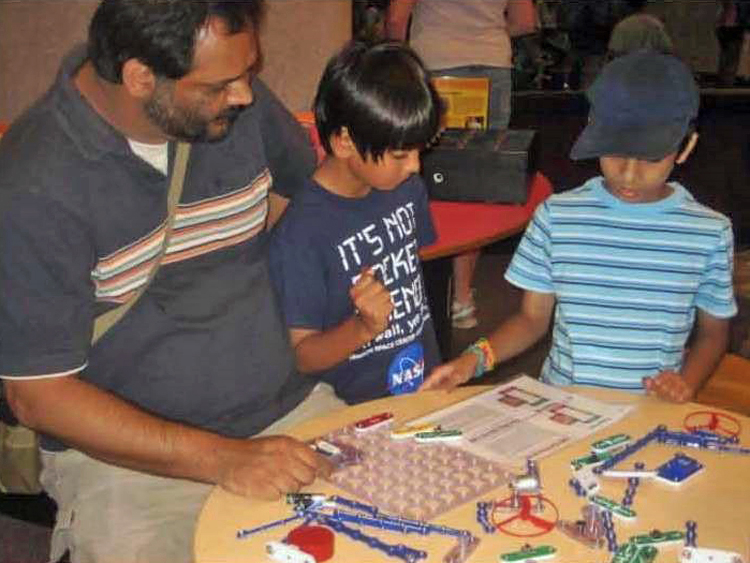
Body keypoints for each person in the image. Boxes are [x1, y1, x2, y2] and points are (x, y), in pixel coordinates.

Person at [0, 2, 347, 562]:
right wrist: (223, 458)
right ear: (140, 78)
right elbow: (38, 396)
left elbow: (299, 193)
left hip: (288, 411)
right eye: (221, 84)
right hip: (130, 466)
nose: (245, 96)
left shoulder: (239, 111)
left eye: (248, 73)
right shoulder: (31, 182)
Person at [424, 51, 738, 403]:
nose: (629, 174)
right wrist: (472, 361)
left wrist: (686, 382)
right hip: (564, 405)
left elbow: (714, 333)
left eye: (651, 158)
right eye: (615, 152)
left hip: (651, 410)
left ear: (686, 146)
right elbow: (531, 319)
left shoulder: (710, 233)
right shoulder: (557, 217)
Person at [269, 41, 442, 405]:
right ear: (345, 141)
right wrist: (362, 328)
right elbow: (303, 355)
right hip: (354, 409)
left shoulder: (406, 189)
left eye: (418, 151)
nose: (415, 166)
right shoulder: (301, 234)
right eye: (400, 154)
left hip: (421, 388)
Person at [386, 0, 538, 330]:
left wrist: (397, 62)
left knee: (424, 175)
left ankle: (416, 289)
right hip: (491, 64)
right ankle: (463, 299)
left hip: (434, 62)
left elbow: (397, 18)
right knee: (477, 184)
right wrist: (484, 34)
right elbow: (526, 21)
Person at [607, 0, 673, 59]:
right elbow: (667, 49)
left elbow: (614, 52)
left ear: (627, 7)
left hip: (629, 69)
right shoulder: (656, 24)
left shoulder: (622, 26)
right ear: (644, 6)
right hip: (652, 68)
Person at [716, 0, 750, 87]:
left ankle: (726, 81)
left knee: (728, 58)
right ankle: (726, 82)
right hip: (732, 26)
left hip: (727, 25)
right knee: (730, 57)